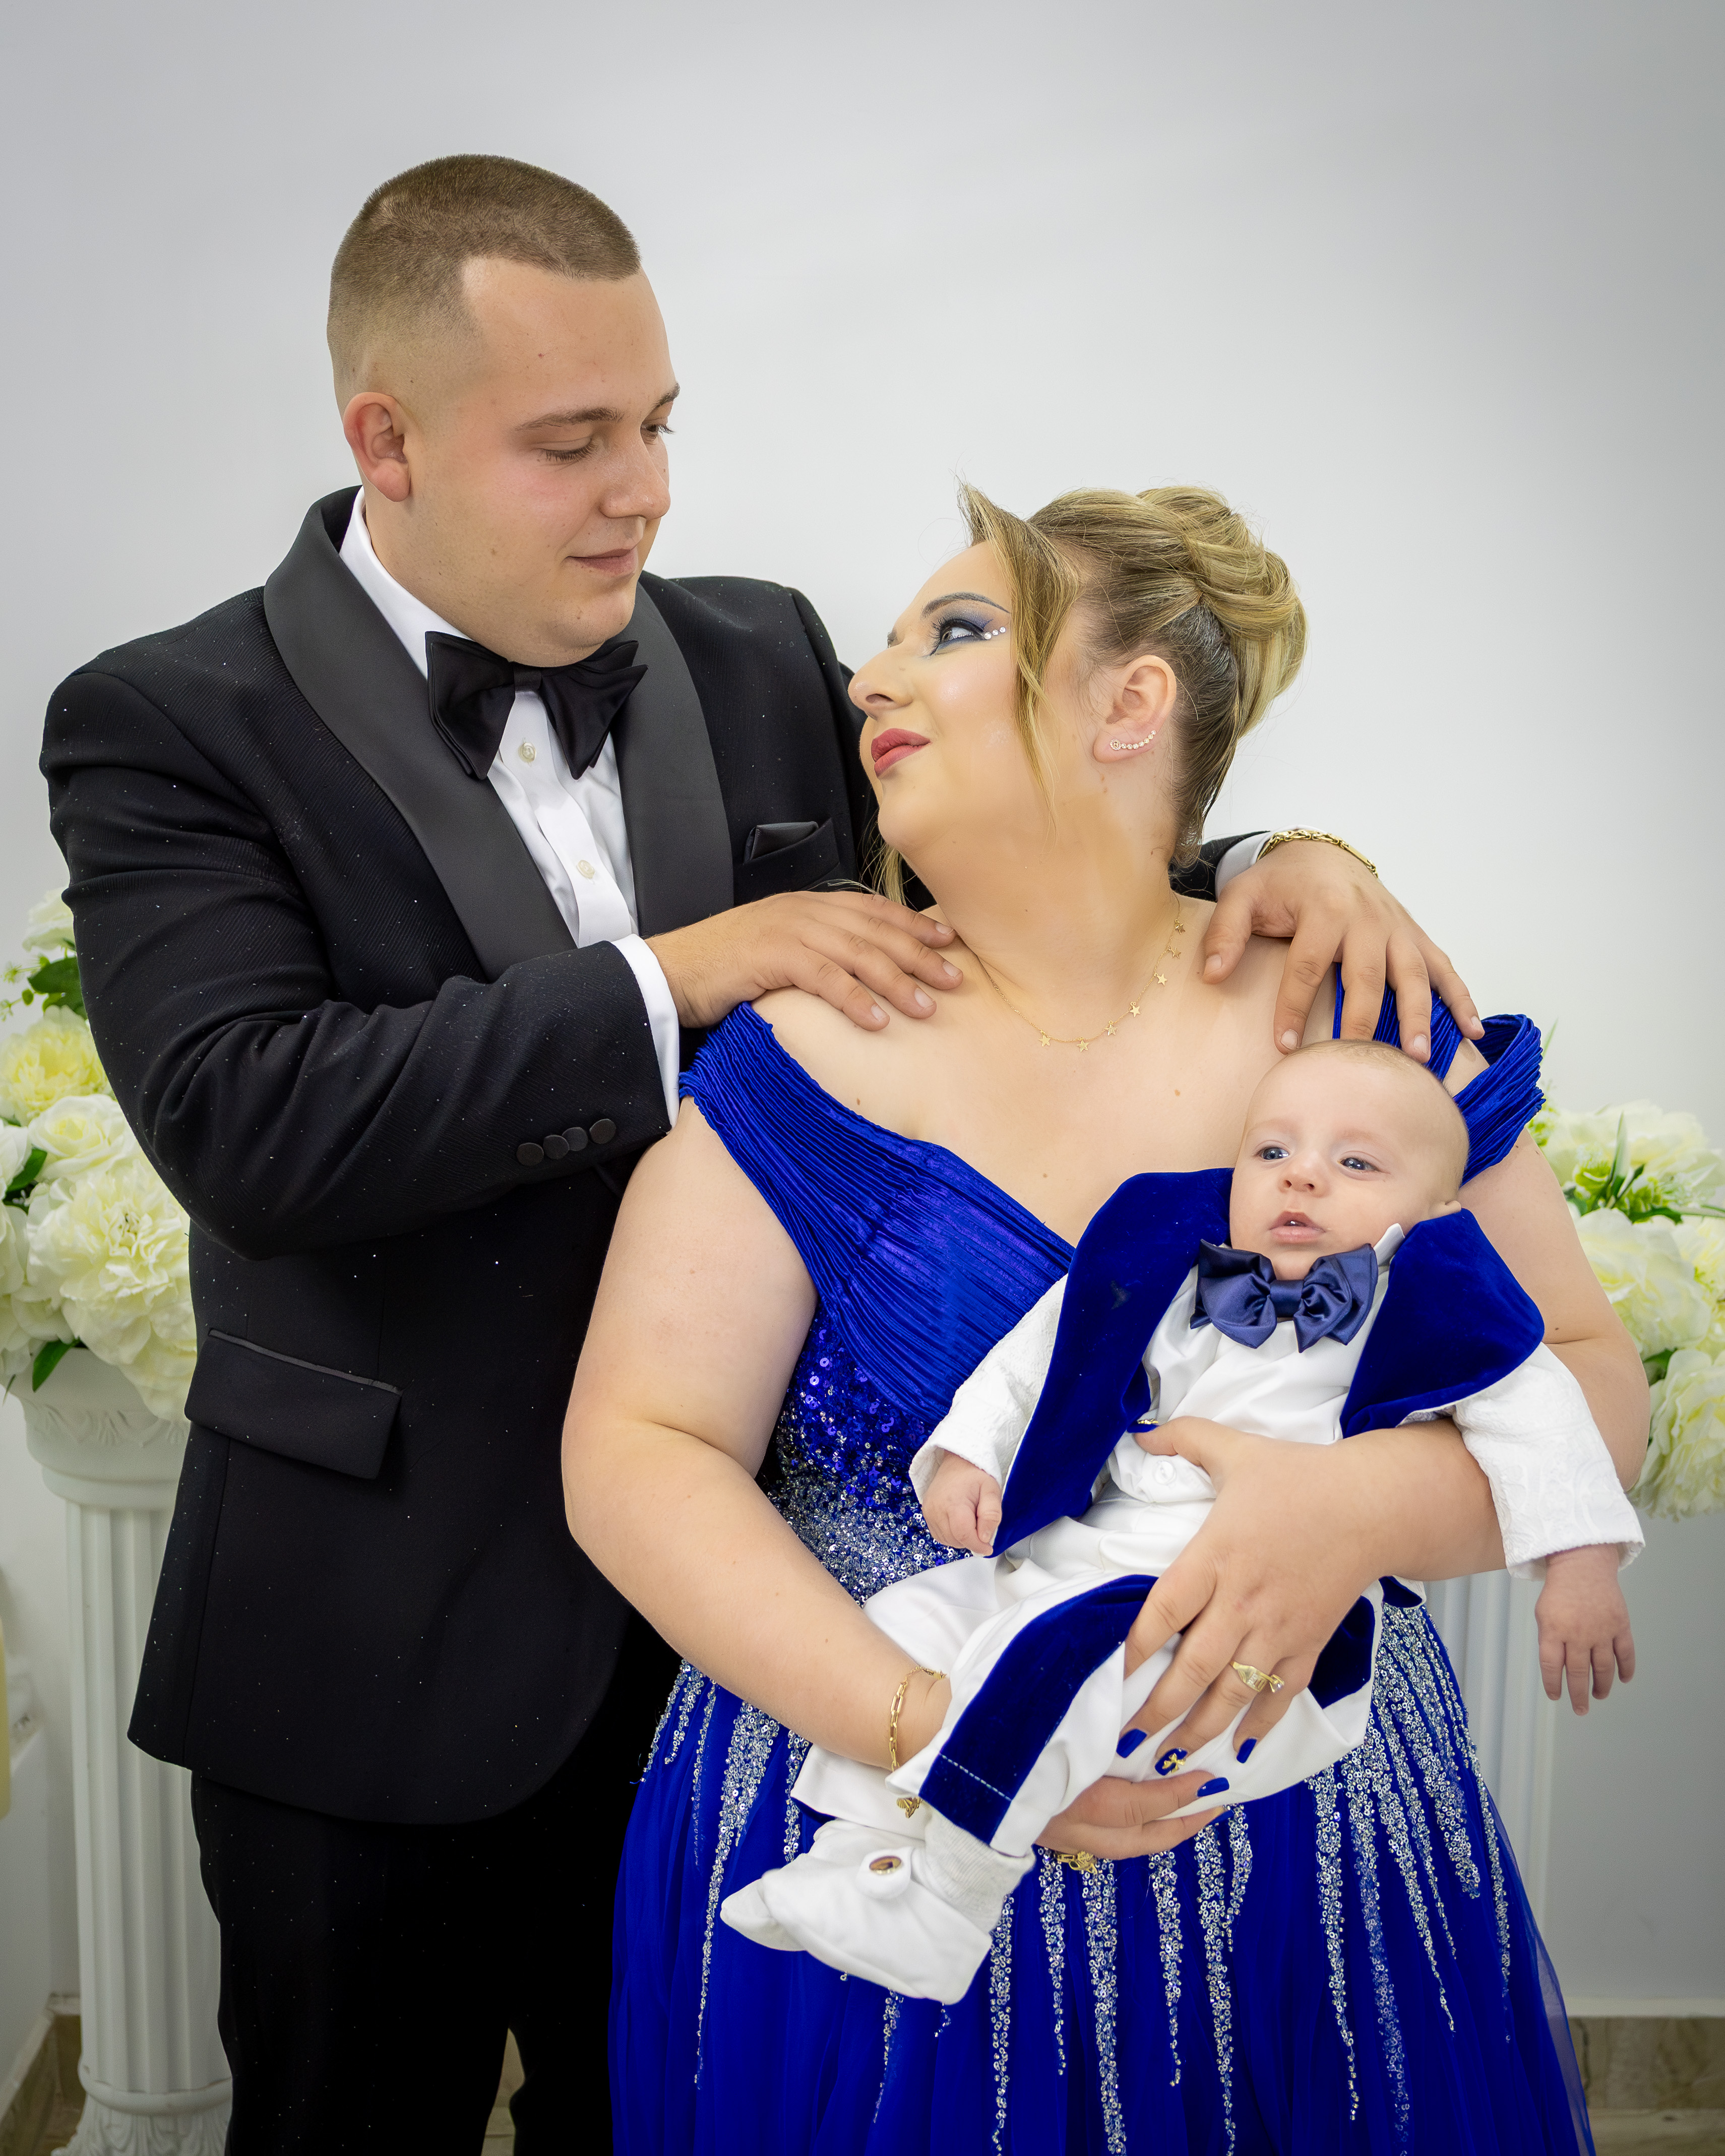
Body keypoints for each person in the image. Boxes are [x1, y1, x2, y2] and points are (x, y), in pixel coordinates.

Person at [36, 158, 1436, 2153]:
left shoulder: (763, 650)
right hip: (378, 1648)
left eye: (659, 425)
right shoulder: (171, 717)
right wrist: (680, 972)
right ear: (387, 440)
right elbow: (249, 1121)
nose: (644, 492)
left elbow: (1023, 876)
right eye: (572, 443)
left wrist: (1294, 858)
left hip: (760, 1652)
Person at [564, 480, 1649, 2152]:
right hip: (872, 1795)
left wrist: (1359, 1505)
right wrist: (933, 1733)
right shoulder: (799, 1051)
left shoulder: (1353, 1024)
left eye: (954, 629)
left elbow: (1584, 1373)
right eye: (882, 643)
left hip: (1293, 1836)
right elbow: (641, 1450)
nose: (870, 676)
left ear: (1131, 702)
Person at [720, 1036, 1641, 2005]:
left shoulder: (1431, 1307)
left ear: (1438, 1212)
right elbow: (1045, 1349)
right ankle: (865, 1857)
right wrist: (969, 1453)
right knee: (907, 1621)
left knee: (1056, 1666)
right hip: (1081, 1556)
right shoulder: (1177, 1274)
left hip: (1241, 1612)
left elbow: (1544, 1419)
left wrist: (1579, 1564)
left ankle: (950, 1897)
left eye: (1356, 1162)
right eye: (1272, 1151)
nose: (1302, 1176)